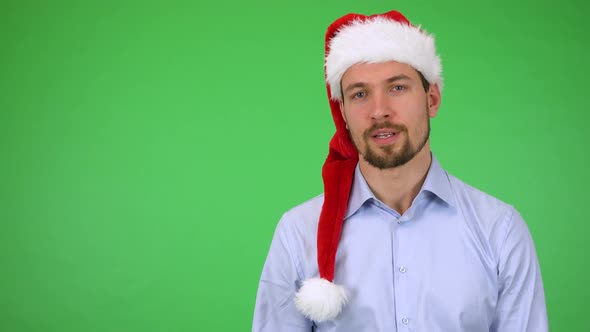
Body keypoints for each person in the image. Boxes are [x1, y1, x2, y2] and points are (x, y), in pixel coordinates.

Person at [253, 10, 548, 332]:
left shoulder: (499, 230)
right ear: (344, 115)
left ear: (432, 99)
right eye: (360, 94)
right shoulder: (298, 233)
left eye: (397, 88)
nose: (379, 111)